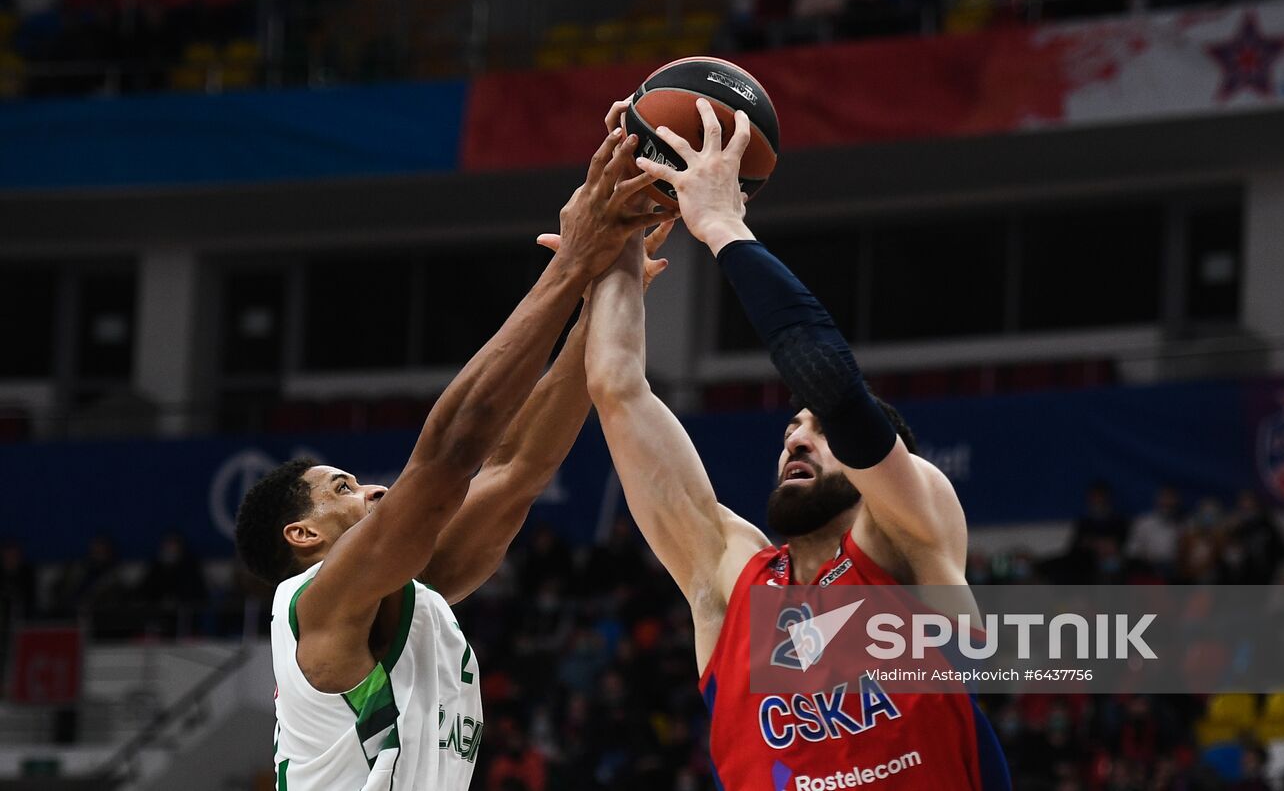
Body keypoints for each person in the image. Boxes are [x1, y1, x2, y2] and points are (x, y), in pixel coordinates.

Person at [586, 98, 1010, 790]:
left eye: (817, 431)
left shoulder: (910, 539)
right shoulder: (730, 575)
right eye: (791, 427)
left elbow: (835, 388)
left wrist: (722, 224)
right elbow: (615, 387)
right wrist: (619, 238)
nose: (798, 435)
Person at [233, 127, 671, 790]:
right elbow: (449, 457)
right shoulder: (314, 603)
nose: (375, 490)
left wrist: (612, 285)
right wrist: (572, 262)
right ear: (303, 535)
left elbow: (516, 468)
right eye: (343, 488)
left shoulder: (414, 592)